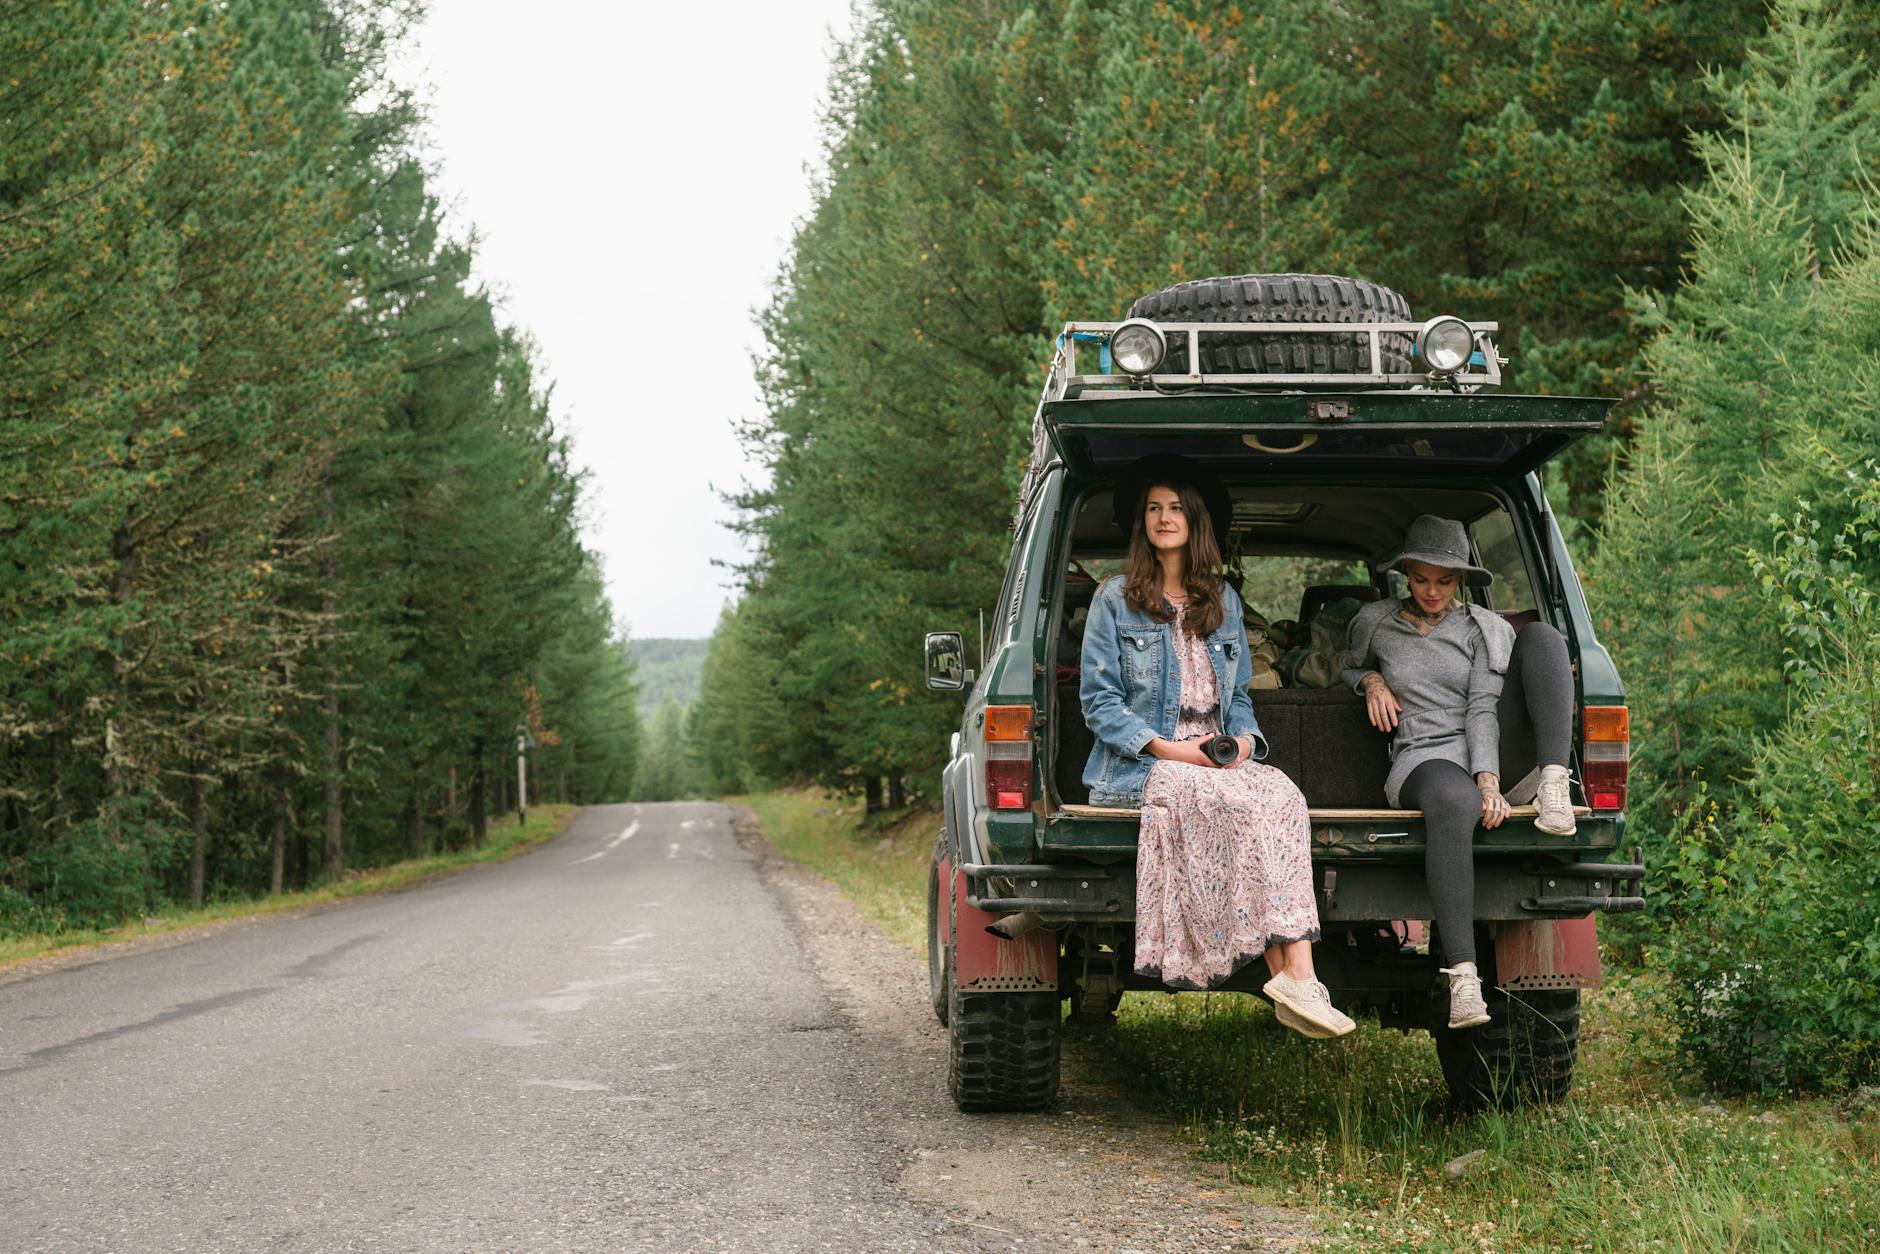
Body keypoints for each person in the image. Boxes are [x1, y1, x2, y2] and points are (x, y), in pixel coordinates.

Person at [1080, 459, 1355, 1039]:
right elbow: (1100, 704)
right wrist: (1178, 753)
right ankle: (1297, 979)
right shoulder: (1113, 598)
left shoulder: (1221, 598)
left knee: (1282, 797)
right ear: (1142, 523)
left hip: (1218, 752)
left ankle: (1294, 977)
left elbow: (1240, 702)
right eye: (1154, 508)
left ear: (1195, 520)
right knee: (1229, 806)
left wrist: (1246, 744)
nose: (1164, 517)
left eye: (1176, 507)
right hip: (1146, 762)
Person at [1340, 514, 1578, 1030]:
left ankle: (1554, 782)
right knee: (1454, 802)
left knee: (1543, 638)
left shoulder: (1485, 629)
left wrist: (1489, 779)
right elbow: (1347, 666)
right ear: (1405, 573)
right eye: (1420, 578)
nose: (1431, 591)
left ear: (1463, 580)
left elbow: (1482, 710)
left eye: (1444, 581)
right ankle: (1464, 981)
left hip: (1484, 744)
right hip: (1424, 754)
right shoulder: (1375, 621)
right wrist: (1373, 683)